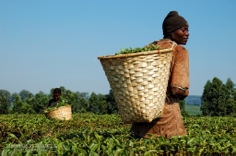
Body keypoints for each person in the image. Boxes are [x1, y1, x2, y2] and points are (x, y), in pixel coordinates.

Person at [130, 11, 190, 139]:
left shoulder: (148, 48)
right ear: (171, 31)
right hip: (166, 125)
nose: (187, 34)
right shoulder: (179, 51)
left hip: (141, 122)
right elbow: (177, 90)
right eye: (183, 30)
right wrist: (185, 92)